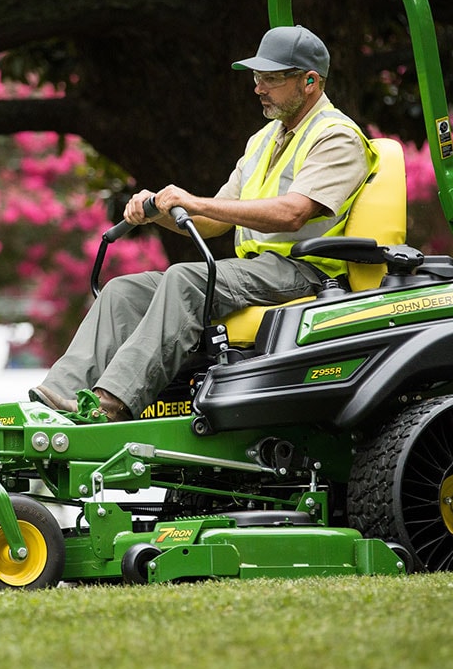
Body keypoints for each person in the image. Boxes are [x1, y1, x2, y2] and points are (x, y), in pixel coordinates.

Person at [30, 25, 375, 421]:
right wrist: (158, 212)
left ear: (310, 81)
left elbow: (293, 213)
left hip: (308, 272)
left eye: (271, 79)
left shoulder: (336, 137)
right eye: (256, 78)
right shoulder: (263, 140)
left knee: (185, 280)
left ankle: (111, 406)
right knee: (123, 291)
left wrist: (191, 200)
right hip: (257, 270)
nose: (258, 88)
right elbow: (213, 222)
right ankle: (54, 398)